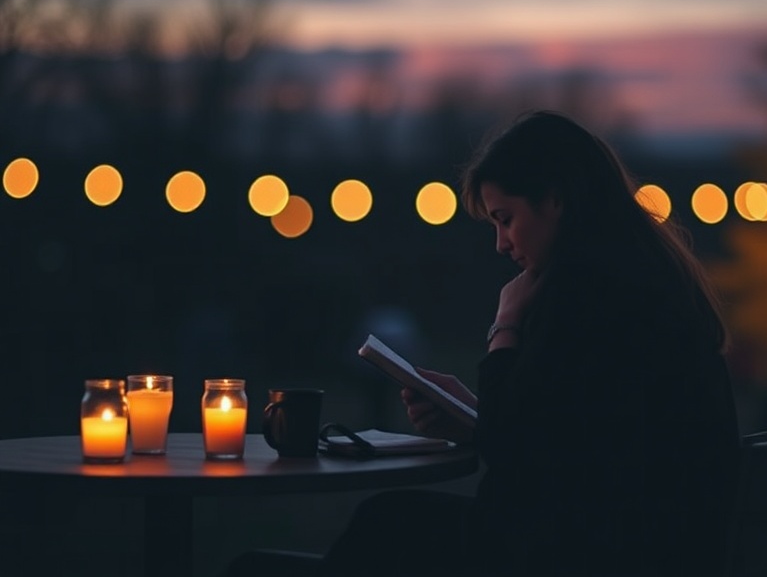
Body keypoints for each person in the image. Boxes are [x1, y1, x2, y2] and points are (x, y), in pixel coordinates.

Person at [224, 110, 739, 577]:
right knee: (386, 524)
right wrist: (475, 415)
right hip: (638, 545)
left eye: (505, 219)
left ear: (556, 199)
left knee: (385, 523)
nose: (501, 243)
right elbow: (567, 435)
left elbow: (519, 455)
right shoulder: (640, 282)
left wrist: (506, 325)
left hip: (583, 554)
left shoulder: (587, 297)